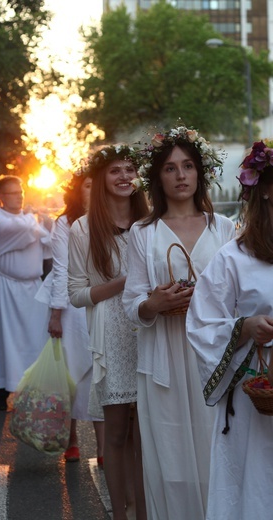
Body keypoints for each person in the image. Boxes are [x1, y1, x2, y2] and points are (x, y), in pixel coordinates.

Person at [122, 125, 236, 520]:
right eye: (170, 168)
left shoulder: (224, 229)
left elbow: (239, 295)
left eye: (188, 166)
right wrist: (154, 302)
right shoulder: (143, 232)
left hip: (213, 356)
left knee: (216, 451)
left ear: (200, 172)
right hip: (164, 359)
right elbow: (131, 302)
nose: (181, 175)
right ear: (158, 178)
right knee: (169, 460)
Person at [186, 138, 273, 520]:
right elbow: (203, 321)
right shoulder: (234, 256)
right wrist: (246, 327)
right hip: (257, 385)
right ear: (267, 192)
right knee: (256, 481)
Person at [68, 144, 148, 520]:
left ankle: (145, 511)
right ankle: (121, 512)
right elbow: (76, 294)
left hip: (148, 327)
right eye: (115, 170)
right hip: (110, 333)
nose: (124, 176)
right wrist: (123, 282)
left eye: (130, 169)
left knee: (145, 435)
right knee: (116, 433)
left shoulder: (152, 223)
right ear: (101, 178)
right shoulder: (83, 229)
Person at [35, 173, 105, 465]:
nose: (93, 189)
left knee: (101, 373)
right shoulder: (65, 223)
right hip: (72, 305)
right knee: (71, 373)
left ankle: (104, 449)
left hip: (103, 300)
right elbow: (61, 270)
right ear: (78, 190)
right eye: (88, 185)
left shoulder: (110, 218)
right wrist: (56, 314)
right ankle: (72, 440)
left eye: (96, 185)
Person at [0, 174, 53, 411]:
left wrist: (46, 223)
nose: (20, 196)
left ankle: (35, 389)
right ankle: (3, 392)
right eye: (14, 193)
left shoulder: (28, 220)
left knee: (36, 338)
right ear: (1, 197)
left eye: (21, 192)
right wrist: (37, 219)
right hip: (9, 288)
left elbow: (49, 243)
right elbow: (24, 231)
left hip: (33, 287)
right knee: (7, 340)